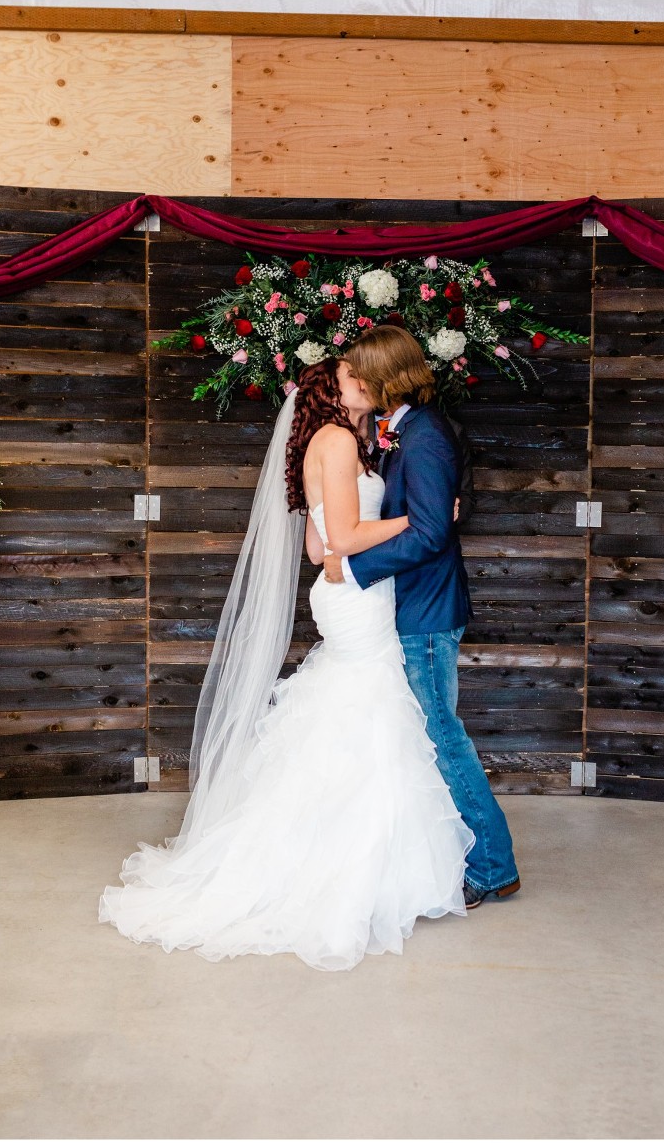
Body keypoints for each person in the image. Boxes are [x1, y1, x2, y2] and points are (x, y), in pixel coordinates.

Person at [100, 358, 474, 972]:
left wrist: (352, 547)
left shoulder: (349, 442)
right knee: (375, 705)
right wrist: (425, 519)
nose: (365, 382)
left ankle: (360, 857)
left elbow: (315, 544)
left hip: (354, 589)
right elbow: (344, 541)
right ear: (334, 392)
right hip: (358, 591)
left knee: (357, 707)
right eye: (354, 376)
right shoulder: (333, 440)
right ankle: (357, 867)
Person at [323, 325, 520, 909]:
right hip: (410, 606)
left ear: (379, 379)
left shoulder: (426, 434)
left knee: (440, 738)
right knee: (427, 736)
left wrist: (354, 570)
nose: (345, 380)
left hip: (427, 611)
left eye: (353, 373)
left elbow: (433, 532)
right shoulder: (399, 432)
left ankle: (492, 867)